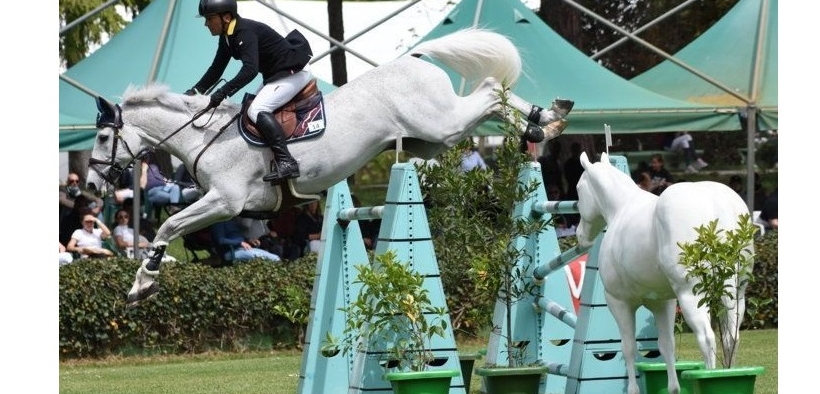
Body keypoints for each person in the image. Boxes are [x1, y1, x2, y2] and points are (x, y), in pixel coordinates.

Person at [186, 0, 314, 184]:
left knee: (256, 110)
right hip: (277, 76)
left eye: (209, 18)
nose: (206, 24)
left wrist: (223, 92)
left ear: (226, 17)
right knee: (248, 109)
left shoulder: (244, 32)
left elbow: (250, 70)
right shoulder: (227, 36)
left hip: (294, 72)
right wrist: (195, 91)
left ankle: (287, 161)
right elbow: (216, 69)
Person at [210, 217, 281, 263]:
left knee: (275, 258)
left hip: (243, 249)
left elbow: (239, 237)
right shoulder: (218, 222)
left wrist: (249, 240)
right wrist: (240, 243)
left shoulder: (231, 221)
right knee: (260, 257)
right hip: (230, 252)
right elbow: (220, 240)